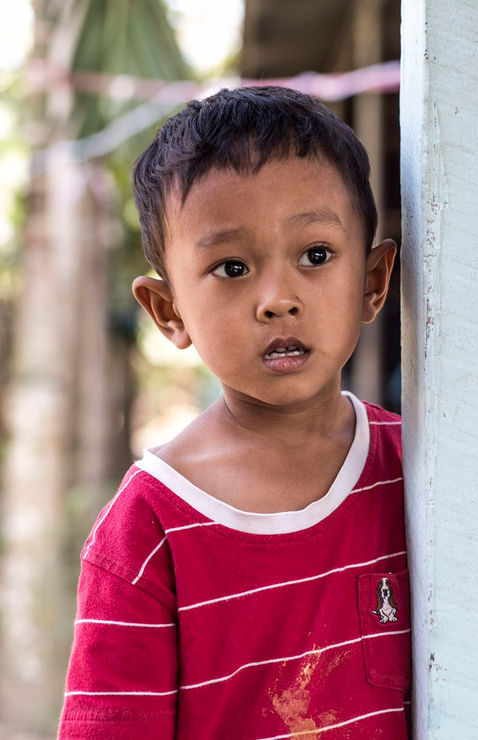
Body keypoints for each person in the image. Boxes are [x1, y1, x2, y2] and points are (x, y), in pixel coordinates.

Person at [58, 86, 410, 739]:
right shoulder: (145, 535)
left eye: (315, 255)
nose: (277, 298)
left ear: (372, 280)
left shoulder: (417, 465)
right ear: (169, 312)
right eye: (232, 267)